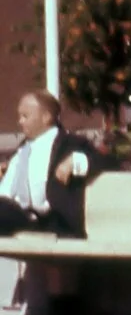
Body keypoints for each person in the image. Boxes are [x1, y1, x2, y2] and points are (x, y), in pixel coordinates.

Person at [0, 90, 99, 238]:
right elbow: (6, 191)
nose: (20, 121)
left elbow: (107, 161)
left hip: (53, 221)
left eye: (25, 116)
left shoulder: (70, 144)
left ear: (46, 117)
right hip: (17, 217)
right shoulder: (23, 150)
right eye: (19, 116)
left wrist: (75, 161)